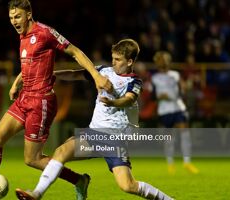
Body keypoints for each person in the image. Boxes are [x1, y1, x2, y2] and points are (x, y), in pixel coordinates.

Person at [0, 0, 112, 200]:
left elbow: (74, 51)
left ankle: (79, 180)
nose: (14, 21)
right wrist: (16, 84)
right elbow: (29, 64)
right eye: (11, 18)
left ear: (29, 14)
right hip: (24, 98)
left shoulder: (45, 33)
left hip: (41, 102)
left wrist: (96, 76)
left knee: (33, 159)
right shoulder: (23, 36)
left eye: (17, 16)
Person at [15, 39, 173, 200]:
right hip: (94, 134)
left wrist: (113, 102)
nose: (114, 62)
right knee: (61, 152)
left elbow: (129, 100)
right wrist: (53, 75)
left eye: (118, 60)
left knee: (127, 186)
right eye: (113, 58)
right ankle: (37, 193)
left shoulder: (134, 81)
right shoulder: (104, 71)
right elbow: (75, 74)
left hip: (115, 139)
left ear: (130, 61)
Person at [151, 51, 199, 175]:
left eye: (166, 59)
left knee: (184, 131)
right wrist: (159, 97)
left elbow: (182, 90)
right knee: (169, 137)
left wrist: (186, 86)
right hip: (165, 110)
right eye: (161, 60)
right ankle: (170, 163)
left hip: (178, 107)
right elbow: (152, 96)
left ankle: (187, 162)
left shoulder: (175, 75)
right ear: (157, 62)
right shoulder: (154, 78)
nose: (164, 62)